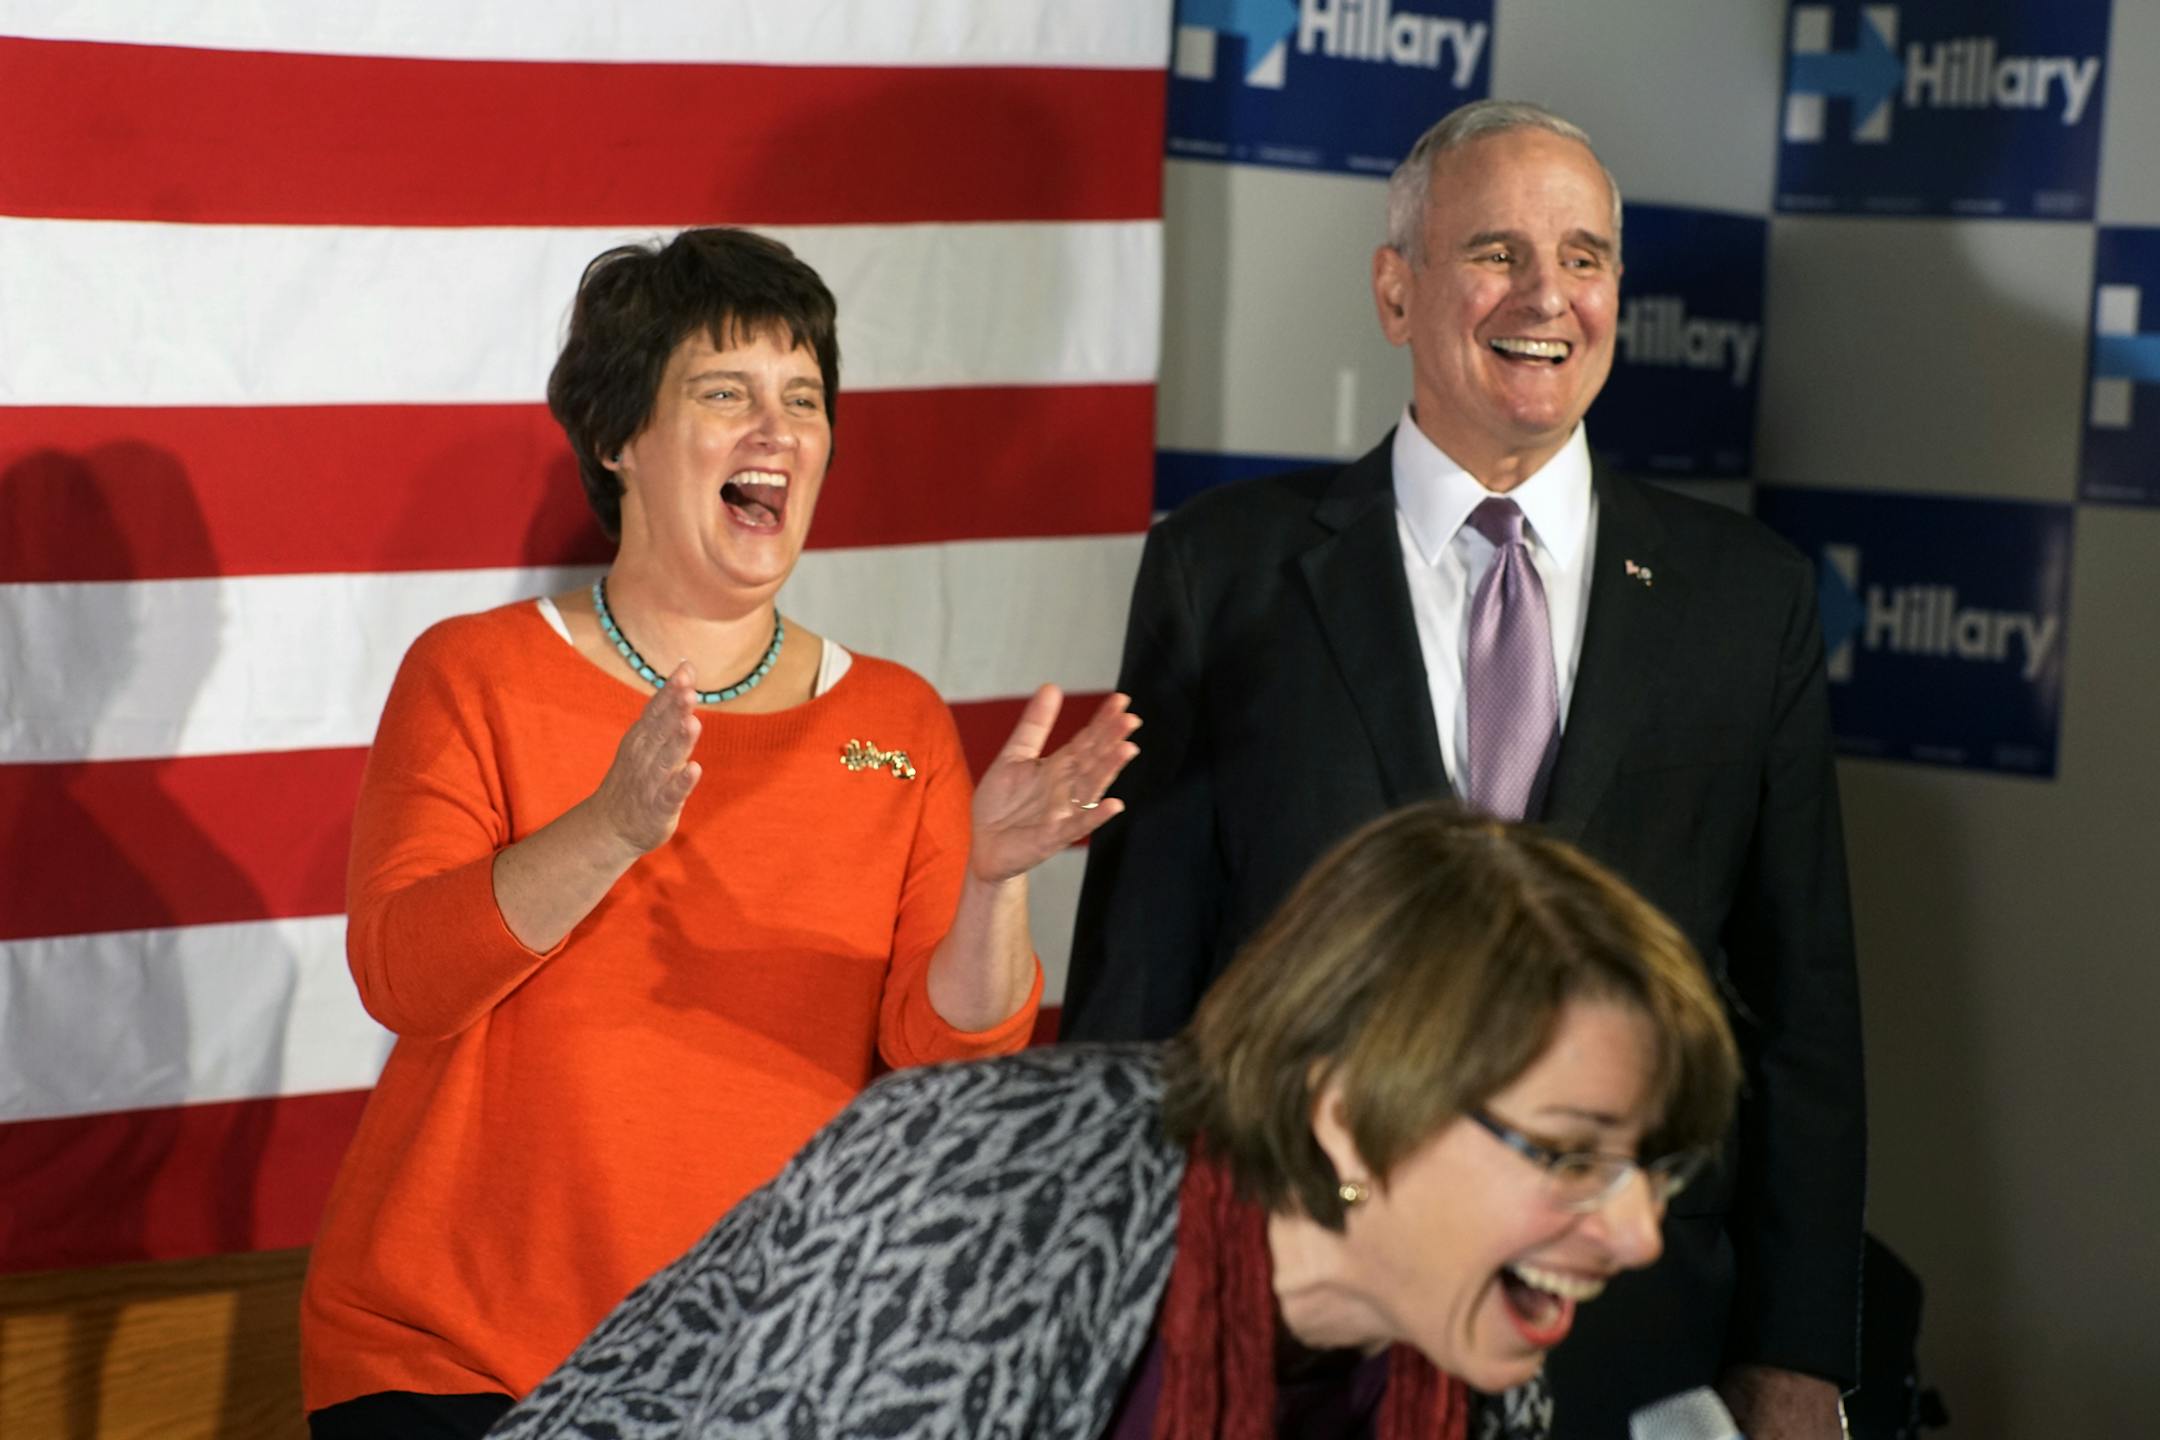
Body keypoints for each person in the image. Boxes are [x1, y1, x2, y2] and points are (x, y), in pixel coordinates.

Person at [1063, 100, 1865, 1440]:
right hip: (1304, 1342)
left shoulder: (1748, 601)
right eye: (1496, 252)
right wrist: (1099, 1311)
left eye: (1588, 258)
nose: (1549, 296)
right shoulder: (1226, 571)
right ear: (1396, 289)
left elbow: (1802, 1016)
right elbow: (1144, 990)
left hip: (1636, 1337)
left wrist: (1798, 1358)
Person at [299, 228, 1140, 1437]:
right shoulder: (472, 675)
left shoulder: (897, 721)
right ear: (617, 438)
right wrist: (612, 825)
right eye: (725, 392)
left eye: (803, 398)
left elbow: (946, 1064)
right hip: (461, 1366)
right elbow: (404, 975)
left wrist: (996, 884)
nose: (777, 430)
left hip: (764, 1362)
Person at [487, 802, 1742, 1439]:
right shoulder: (984, 1198)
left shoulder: (1471, 1347)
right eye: (1572, 1156)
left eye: (1652, 1166)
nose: (1634, 1235)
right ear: (1350, 1121)